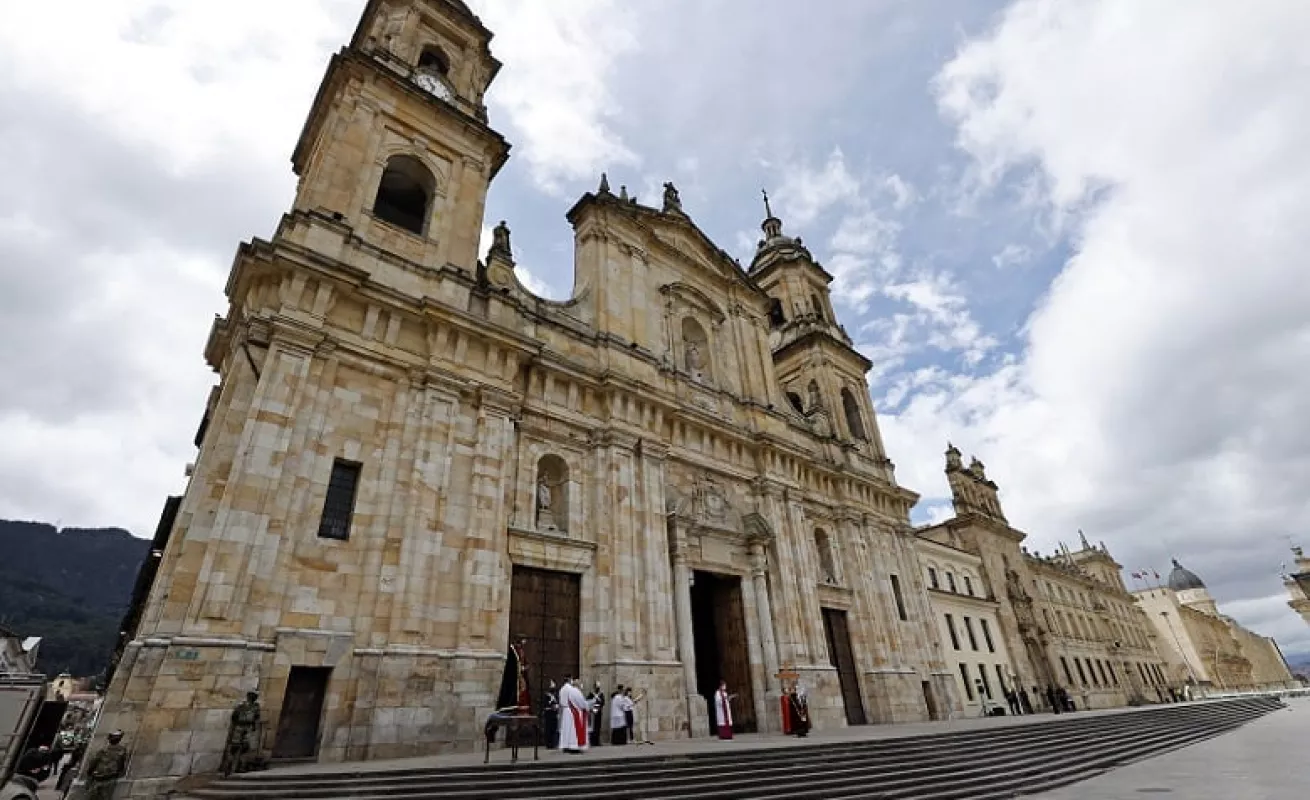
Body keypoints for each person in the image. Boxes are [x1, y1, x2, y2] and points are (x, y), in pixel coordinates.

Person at [82, 730, 128, 800]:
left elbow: (93, 762)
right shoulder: (122, 750)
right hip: (111, 777)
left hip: (99, 777)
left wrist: (89, 773)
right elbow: (122, 765)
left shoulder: (103, 750)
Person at [556, 677, 589, 754]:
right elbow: (581, 703)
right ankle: (574, 746)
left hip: (566, 710)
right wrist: (586, 706)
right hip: (573, 711)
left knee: (566, 730)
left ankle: (566, 745)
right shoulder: (575, 691)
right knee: (573, 731)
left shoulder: (562, 689)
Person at [542, 679, 560, 749]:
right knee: (548, 729)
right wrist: (551, 705)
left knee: (554, 729)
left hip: (554, 714)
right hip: (549, 714)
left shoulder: (555, 695)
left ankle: (553, 743)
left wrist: (556, 707)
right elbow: (545, 705)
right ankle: (548, 744)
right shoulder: (546, 695)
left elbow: (557, 703)